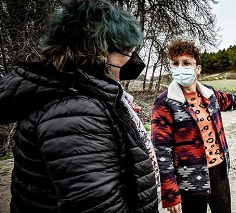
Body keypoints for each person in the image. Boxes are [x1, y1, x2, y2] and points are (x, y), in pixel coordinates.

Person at [0, 0, 160, 212]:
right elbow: (97, 204)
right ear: (99, 51)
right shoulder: (75, 110)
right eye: (126, 50)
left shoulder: (78, 95)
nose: (131, 58)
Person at [151, 39, 236, 213]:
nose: (180, 68)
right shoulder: (164, 102)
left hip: (219, 172)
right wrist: (170, 192)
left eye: (186, 63)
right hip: (190, 178)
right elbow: (161, 150)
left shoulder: (210, 95)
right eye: (175, 63)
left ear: (197, 69)